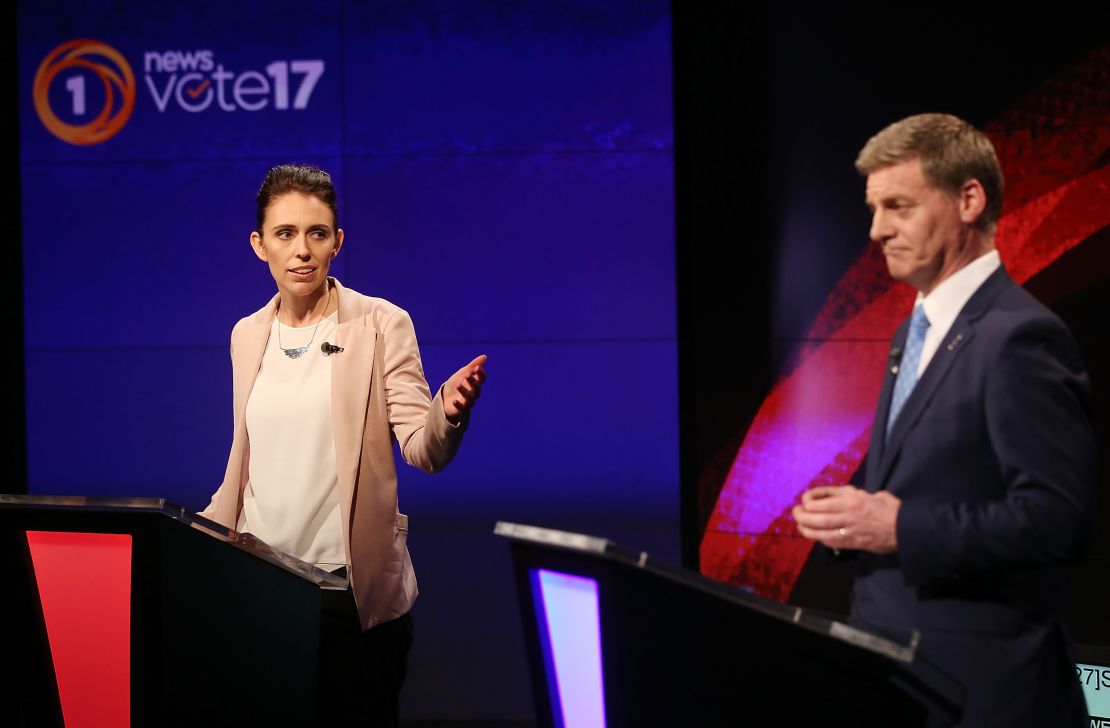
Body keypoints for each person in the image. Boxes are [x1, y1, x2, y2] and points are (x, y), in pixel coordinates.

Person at [792, 114, 1096, 726]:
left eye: (898, 206)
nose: (877, 231)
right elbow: (929, 481)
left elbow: (1058, 521)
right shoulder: (915, 330)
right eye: (874, 209)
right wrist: (852, 520)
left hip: (982, 692)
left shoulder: (1021, 336)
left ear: (968, 200)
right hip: (898, 678)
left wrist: (902, 527)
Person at [201, 164, 486, 726]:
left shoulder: (381, 324)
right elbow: (249, 459)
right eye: (285, 234)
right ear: (260, 245)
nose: (302, 250)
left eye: (317, 233)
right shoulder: (246, 334)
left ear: (338, 241)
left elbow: (422, 448)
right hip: (260, 592)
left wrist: (447, 414)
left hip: (345, 597)